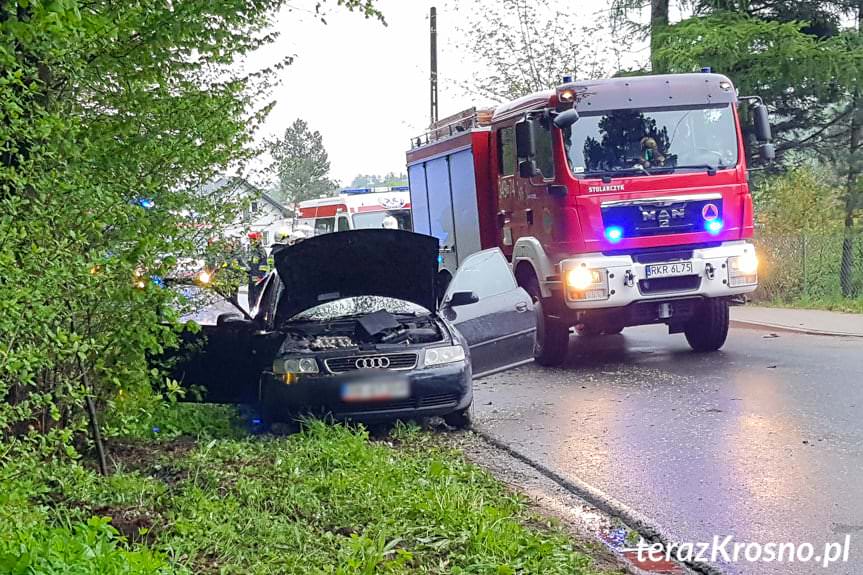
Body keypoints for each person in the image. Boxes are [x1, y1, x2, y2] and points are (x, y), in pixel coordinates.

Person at [246, 232, 268, 305]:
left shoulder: (261, 251)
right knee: (250, 298)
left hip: (257, 279)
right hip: (250, 278)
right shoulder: (251, 251)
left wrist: (260, 276)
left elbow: (264, 265)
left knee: (257, 298)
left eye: (252, 239)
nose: (250, 241)